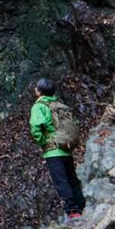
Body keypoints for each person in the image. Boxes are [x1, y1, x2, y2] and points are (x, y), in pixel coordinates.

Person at [30, 77, 85, 220]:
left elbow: (36, 127)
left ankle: (72, 210)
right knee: (71, 178)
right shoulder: (58, 104)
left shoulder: (39, 106)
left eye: (36, 87)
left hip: (53, 150)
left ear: (39, 92)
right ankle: (80, 205)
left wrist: (43, 142)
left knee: (61, 181)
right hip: (66, 147)